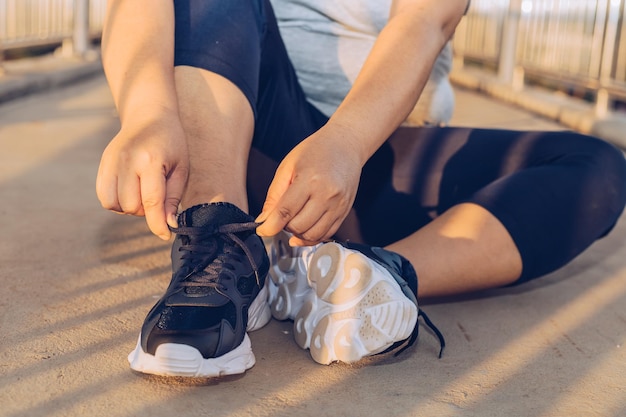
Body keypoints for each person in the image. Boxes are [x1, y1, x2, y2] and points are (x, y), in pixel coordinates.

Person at [96, 0, 626, 378]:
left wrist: (346, 143)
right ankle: (221, 244)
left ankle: (368, 278)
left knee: (595, 166)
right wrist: (147, 116)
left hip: (368, 149)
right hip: (250, 133)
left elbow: (427, 16)